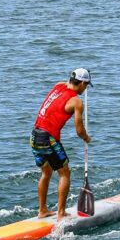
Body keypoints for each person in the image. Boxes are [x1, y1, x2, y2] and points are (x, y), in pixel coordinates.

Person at [31, 68, 92, 220]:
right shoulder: (76, 102)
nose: (85, 89)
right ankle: (61, 213)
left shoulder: (58, 85)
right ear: (82, 83)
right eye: (86, 85)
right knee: (64, 173)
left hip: (35, 135)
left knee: (46, 172)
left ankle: (42, 210)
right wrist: (86, 138)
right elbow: (79, 131)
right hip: (48, 138)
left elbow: (66, 86)